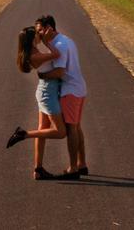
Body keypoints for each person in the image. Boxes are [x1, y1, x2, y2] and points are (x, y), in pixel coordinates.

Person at [6, 25, 67, 180]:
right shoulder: (35, 56)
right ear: (33, 40)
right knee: (60, 132)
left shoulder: (34, 52)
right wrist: (47, 41)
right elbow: (57, 54)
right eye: (37, 34)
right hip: (47, 94)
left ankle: (38, 169)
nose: (40, 34)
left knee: (43, 129)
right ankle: (24, 134)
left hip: (45, 91)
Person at [34, 14, 88, 179]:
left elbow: (59, 71)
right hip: (78, 88)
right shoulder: (65, 40)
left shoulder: (59, 44)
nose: (39, 34)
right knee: (76, 127)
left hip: (70, 90)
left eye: (40, 30)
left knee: (71, 128)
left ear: (49, 27)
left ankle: (73, 169)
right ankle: (82, 164)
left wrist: (42, 76)